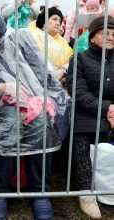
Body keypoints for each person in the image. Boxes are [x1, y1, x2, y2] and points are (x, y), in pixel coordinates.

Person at [0, 6, 70, 220]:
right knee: (5, 124)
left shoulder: (18, 39)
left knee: (41, 122)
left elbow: (40, 69)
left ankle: (40, 192)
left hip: (34, 101)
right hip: (2, 108)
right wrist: (0, 88)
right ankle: (1, 192)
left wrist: (49, 96)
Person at [67, 15, 114, 219]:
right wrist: (107, 108)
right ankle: (86, 192)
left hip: (113, 112)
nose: (111, 38)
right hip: (87, 111)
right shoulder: (79, 58)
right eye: (106, 34)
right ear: (93, 36)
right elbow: (78, 92)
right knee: (82, 140)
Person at [30, 7, 73, 85]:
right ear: (44, 21)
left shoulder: (62, 41)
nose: (58, 23)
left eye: (60, 21)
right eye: (54, 19)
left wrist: (63, 72)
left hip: (57, 83)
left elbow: (70, 60)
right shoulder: (32, 35)